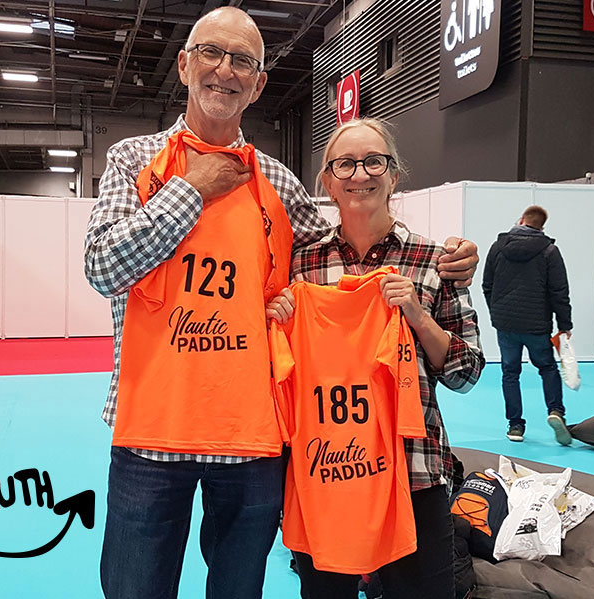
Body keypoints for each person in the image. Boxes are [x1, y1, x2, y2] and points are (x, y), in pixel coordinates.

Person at [84, 9, 480, 598]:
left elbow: (351, 236)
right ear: (185, 63)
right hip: (152, 431)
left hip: (255, 438)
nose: (225, 70)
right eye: (212, 53)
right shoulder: (134, 160)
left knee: (240, 590)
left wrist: (444, 261)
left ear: (260, 81)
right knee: (134, 589)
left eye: (243, 60)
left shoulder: (280, 185)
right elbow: (103, 266)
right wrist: (192, 189)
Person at [266, 117, 484, 599]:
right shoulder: (300, 263)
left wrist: (417, 317)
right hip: (329, 472)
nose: (359, 174)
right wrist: (275, 316)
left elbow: (467, 373)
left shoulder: (433, 260)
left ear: (394, 173)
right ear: (327, 180)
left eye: (373, 161)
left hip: (415, 470)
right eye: (344, 163)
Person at [482, 205, 573, 445]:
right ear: (541, 226)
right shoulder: (550, 251)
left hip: (506, 323)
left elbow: (487, 284)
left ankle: (515, 426)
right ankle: (556, 411)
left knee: (510, 373)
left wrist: (497, 313)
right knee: (547, 368)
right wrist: (565, 325)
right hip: (536, 324)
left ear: (521, 219)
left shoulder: (498, 247)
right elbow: (559, 291)